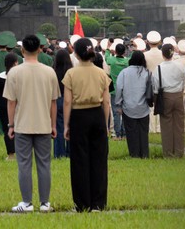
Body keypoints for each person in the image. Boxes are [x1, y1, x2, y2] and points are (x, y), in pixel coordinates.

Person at [4, 35, 60, 214]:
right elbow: (53, 102)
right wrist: (53, 125)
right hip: (44, 124)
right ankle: (45, 203)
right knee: (44, 164)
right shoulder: (49, 72)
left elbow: (11, 102)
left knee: (24, 165)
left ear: (22, 50)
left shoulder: (14, 72)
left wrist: (10, 125)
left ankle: (27, 202)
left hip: (22, 125)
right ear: (39, 49)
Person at [62, 37, 112, 212]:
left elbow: (67, 102)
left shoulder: (71, 74)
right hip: (97, 114)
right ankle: (98, 203)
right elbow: (106, 102)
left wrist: (66, 125)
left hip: (78, 115)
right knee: (99, 160)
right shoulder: (101, 73)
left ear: (75, 53)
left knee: (79, 160)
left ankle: (82, 203)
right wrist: (105, 125)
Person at [115, 50, 152, 158]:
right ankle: (144, 154)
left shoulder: (124, 72)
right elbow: (151, 88)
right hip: (144, 108)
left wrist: (118, 104)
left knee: (131, 133)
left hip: (128, 108)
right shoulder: (147, 72)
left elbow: (119, 89)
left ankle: (134, 154)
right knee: (144, 132)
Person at [154, 43, 185, 158]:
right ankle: (179, 152)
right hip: (178, 96)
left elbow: (156, 87)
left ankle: (168, 153)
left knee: (166, 126)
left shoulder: (158, 68)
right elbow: (183, 81)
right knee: (179, 125)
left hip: (165, 97)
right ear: (173, 53)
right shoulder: (180, 66)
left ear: (162, 54)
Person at [0, 52, 19, 161]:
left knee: (7, 128)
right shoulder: (20, 76)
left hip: (4, 105)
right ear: (16, 62)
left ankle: (11, 154)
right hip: (19, 104)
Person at [104, 42, 128, 140]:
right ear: (124, 52)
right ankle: (124, 133)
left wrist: (108, 48)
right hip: (125, 89)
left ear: (116, 51)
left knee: (115, 112)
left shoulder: (112, 60)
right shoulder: (127, 62)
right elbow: (133, 56)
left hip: (114, 89)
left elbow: (106, 57)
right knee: (125, 111)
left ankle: (117, 134)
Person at [52, 49, 73, 159]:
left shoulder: (53, 72)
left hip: (56, 100)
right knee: (70, 126)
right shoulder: (72, 72)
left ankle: (59, 153)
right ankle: (70, 152)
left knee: (58, 127)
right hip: (70, 101)